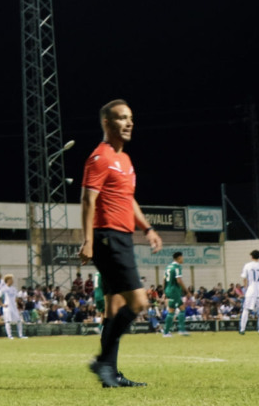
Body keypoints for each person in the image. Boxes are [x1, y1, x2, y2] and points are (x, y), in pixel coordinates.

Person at [79, 99, 163, 388]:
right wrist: (88, 240)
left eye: (131, 118)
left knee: (113, 309)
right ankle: (103, 362)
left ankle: (110, 375)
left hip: (122, 236)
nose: (129, 123)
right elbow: (87, 200)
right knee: (139, 302)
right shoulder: (99, 157)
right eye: (121, 118)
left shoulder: (125, 160)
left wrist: (147, 228)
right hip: (108, 237)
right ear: (106, 122)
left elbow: (128, 200)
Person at [238, 249, 259, 335]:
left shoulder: (247, 265)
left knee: (246, 309)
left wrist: (246, 288)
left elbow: (244, 278)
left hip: (251, 290)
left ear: (251, 256)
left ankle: (242, 329)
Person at [162, 252, 189, 337]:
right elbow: (179, 280)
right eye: (182, 257)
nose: (183, 259)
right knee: (171, 311)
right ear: (179, 258)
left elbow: (164, 280)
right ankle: (166, 332)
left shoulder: (168, 267)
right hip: (174, 291)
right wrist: (187, 291)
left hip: (169, 290)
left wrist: (164, 291)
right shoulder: (177, 267)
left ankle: (181, 330)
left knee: (182, 308)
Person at [0, 274, 25, 339]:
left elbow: (16, 298)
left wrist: (18, 304)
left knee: (19, 321)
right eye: (11, 279)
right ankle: (9, 336)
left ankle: (20, 335)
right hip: (7, 307)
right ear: (8, 280)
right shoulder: (4, 289)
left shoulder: (14, 289)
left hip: (14, 307)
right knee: (8, 321)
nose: (12, 281)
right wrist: (2, 304)